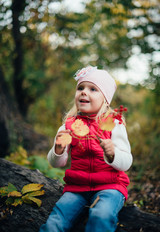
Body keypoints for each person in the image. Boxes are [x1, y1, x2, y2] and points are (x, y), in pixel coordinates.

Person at [39, 66, 133, 232]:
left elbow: (126, 162)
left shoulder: (113, 124)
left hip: (110, 186)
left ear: (105, 99)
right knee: (56, 219)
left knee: (101, 215)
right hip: (77, 188)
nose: (83, 92)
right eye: (80, 88)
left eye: (92, 89)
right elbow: (56, 163)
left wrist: (112, 154)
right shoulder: (68, 125)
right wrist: (58, 149)